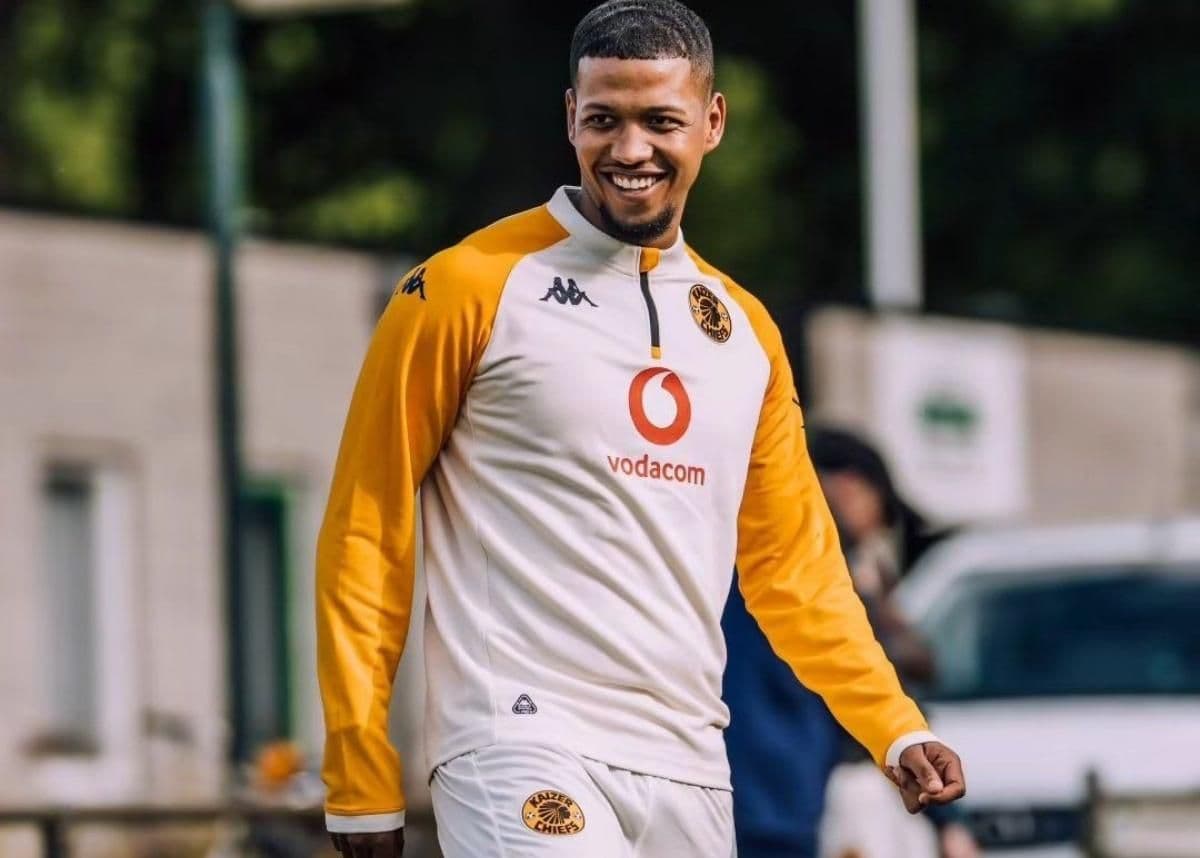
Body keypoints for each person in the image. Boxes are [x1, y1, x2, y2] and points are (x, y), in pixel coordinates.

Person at [315, 3, 966, 857]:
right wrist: (358, 768)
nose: (629, 150)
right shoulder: (462, 288)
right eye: (603, 120)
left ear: (712, 122)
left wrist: (892, 725)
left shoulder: (745, 331)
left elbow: (793, 569)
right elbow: (368, 528)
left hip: (691, 760)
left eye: (660, 121)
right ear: (570, 117)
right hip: (518, 741)